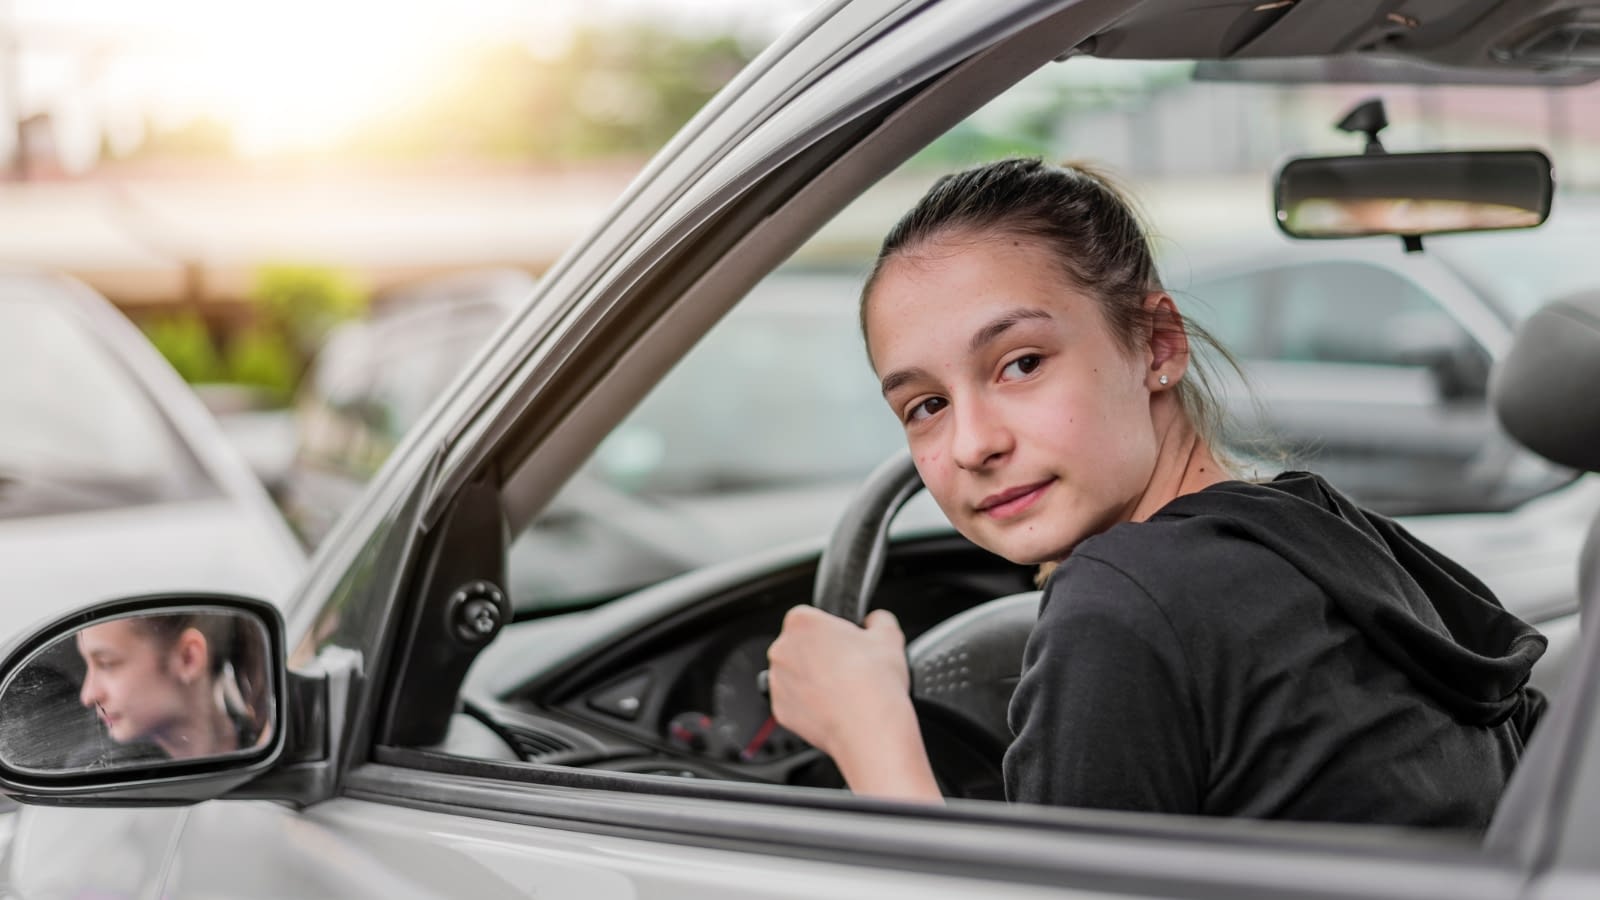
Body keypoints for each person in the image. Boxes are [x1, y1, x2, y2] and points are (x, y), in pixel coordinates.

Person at [765, 157, 1546, 829]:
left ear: (1157, 344)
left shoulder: (1123, 605)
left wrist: (870, 733)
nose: (974, 445)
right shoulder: (1314, 527)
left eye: (1021, 363)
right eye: (925, 406)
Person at [76, 612, 266, 761]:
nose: (87, 695)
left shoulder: (266, 740)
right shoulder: (97, 770)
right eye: (86, 665)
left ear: (188, 658)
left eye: (106, 663)